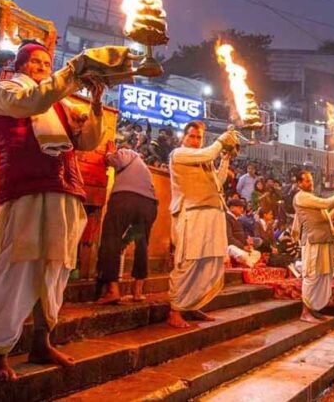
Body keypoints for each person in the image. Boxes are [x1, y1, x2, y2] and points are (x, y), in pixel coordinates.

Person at [0, 42, 109, 382]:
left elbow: (87, 142)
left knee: (55, 269)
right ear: (21, 65)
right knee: (15, 268)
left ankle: (41, 342)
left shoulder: (61, 103)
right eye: (35, 61)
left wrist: (95, 105)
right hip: (25, 191)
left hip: (65, 191)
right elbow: (31, 103)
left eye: (46, 62)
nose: (41, 66)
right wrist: (74, 72)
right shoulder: (4, 90)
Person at [168, 121, 240, 328]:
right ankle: (175, 310)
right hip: (192, 215)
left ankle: (192, 304)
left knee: (209, 262)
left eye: (199, 137)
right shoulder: (178, 154)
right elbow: (208, 154)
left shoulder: (204, 158)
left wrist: (225, 157)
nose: (195, 140)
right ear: (183, 137)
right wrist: (221, 141)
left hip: (212, 215)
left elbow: (219, 181)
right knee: (189, 262)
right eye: (192, 136)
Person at [96, 146, 158, 305]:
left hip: (124, 199)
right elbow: (134, 232)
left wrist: (109, 154)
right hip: (148, 204)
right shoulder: (144, 168)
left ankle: (113, 290)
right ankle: (138, 291)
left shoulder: (128, 153)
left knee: (111, 239)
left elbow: (118, 160)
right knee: (142, 243)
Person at [291, 170, 334, 323]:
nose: (310, 183)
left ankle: (315, 310)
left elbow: (325, 216)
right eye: (306, 181)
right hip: (313, 242)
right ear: (299, 184)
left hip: (323, 241)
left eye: (311, 180)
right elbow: (325, 203)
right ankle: (305, 312)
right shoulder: (301, 196)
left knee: (323, 276)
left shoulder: (310, 197)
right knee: (312, 276)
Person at [226, 198, 261, 268]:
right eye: (239, 207)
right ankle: (250, 264)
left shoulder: (237, 219)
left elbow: (241, 234)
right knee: (243, 255)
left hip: (240, 246)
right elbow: (229, 238)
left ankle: (249, 262)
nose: (242, 210)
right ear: (232, 207)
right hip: (230, 246)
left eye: (242, 207)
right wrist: (242, 247)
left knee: (257, 253)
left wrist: (247, 241)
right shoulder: (226, 218)